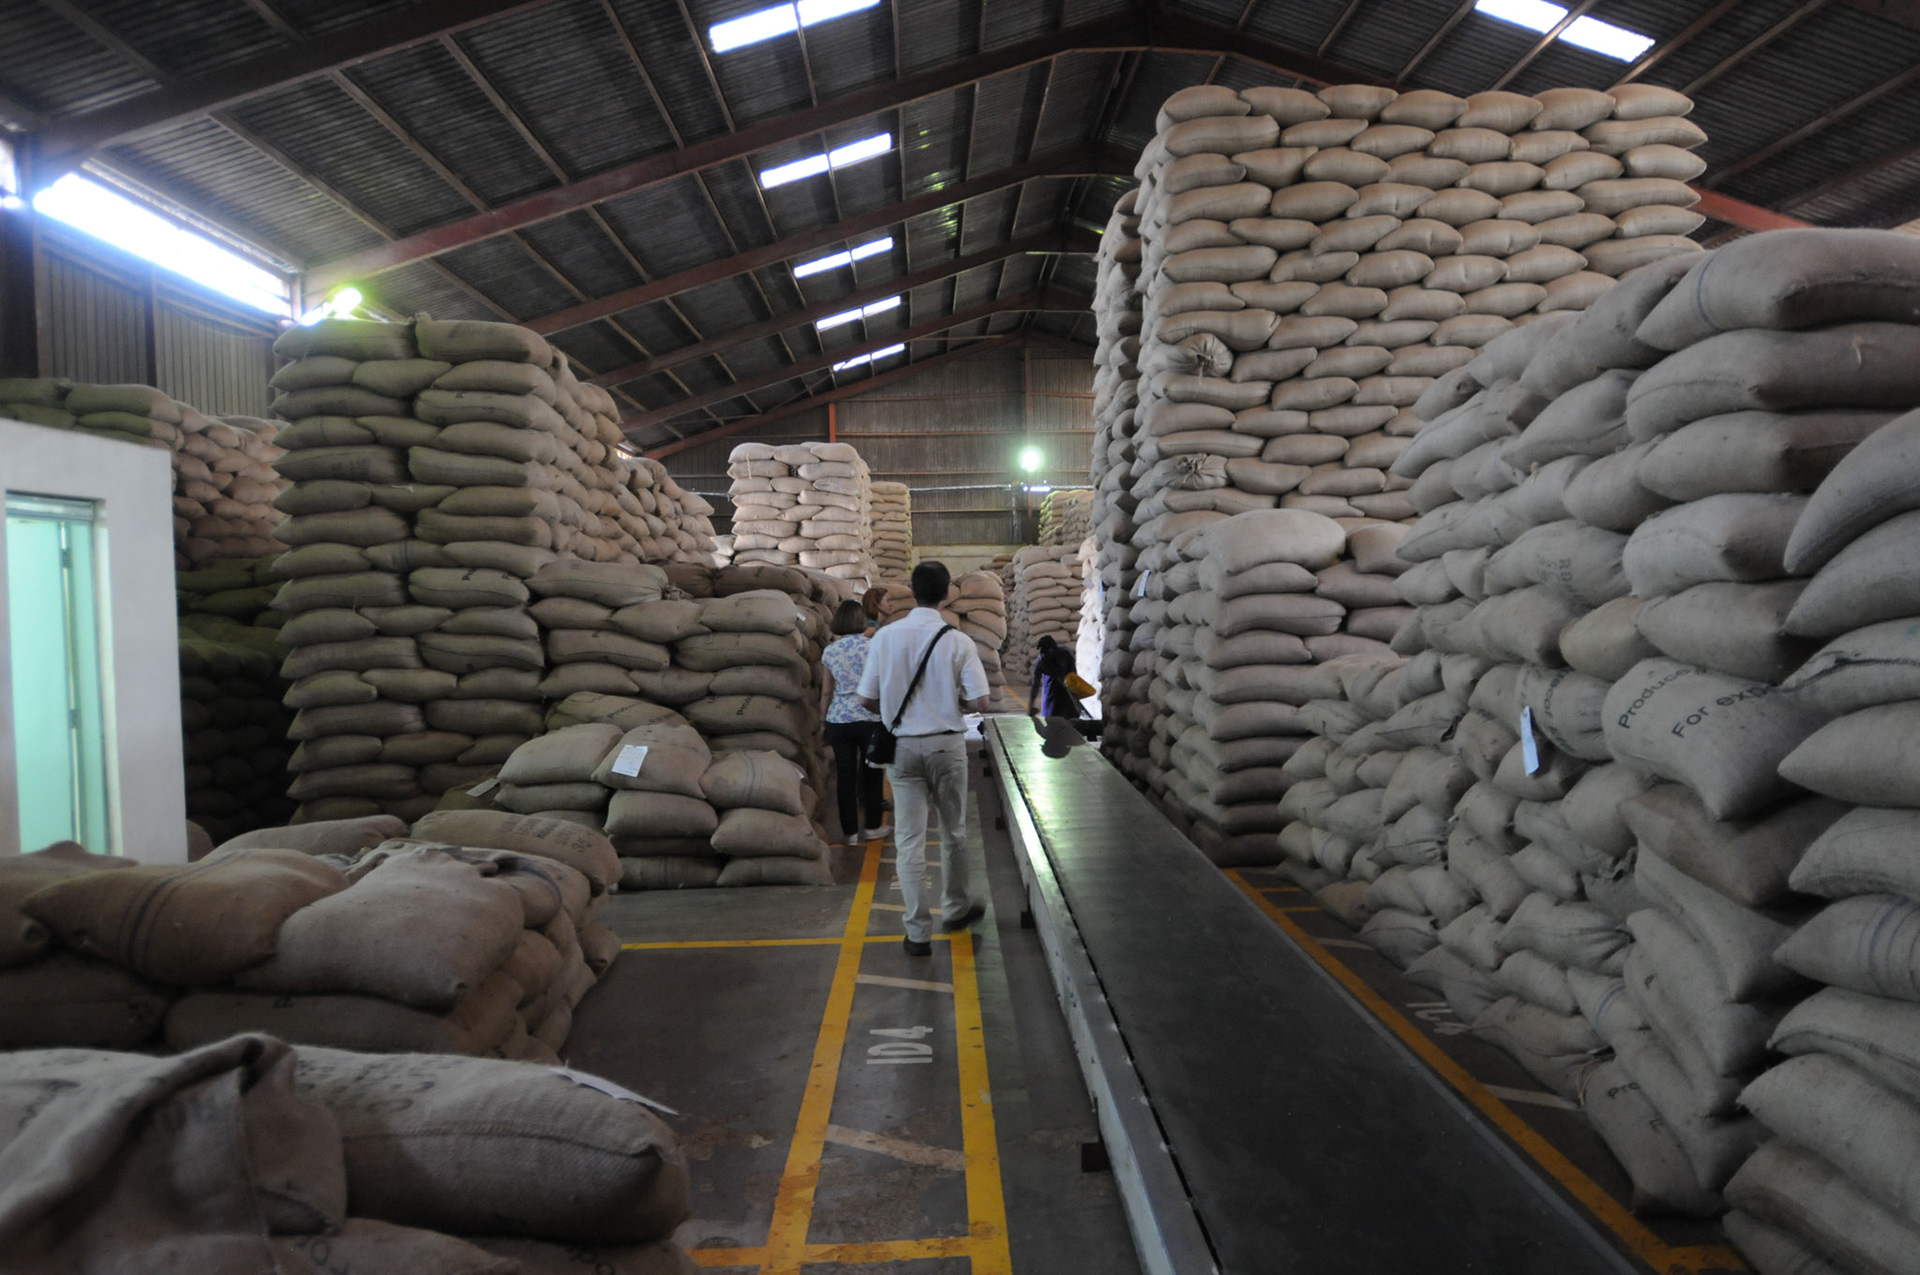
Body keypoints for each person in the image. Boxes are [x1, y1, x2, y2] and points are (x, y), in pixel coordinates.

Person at [857, 560, 991, 956]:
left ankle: (917, 932)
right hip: (946, 746)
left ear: (912, 592)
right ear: (947, 593)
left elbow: (865, 698)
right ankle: (956, 909)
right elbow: (982, 701)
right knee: (953, 832)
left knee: (909, 840)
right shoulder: (958, 640)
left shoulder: (885, 638)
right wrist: (950, 699)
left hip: (900, 749)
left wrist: (893, 708)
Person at [820, 599, 888, 847]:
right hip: (870, 717)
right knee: (872, 774)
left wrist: (823, 721)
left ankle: (849, 833)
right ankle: (872, 827)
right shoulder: (873, 646)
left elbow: (826, 692)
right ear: (860, 620)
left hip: (839, 719)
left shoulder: (830, 650)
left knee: (845, 777)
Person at [1028, 634, 1084, 721]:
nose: (1044, 654)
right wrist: (1031, 704)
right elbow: (1036, 684)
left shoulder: (1065, 655)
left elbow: (1074, 677)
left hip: (1066, 696)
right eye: (1042, 651)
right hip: (1051, 696)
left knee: (1070, 721)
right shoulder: (1041, 660)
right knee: (1051, 721)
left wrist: (1077, 700)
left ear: (1053, 649)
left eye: (1046, 651)